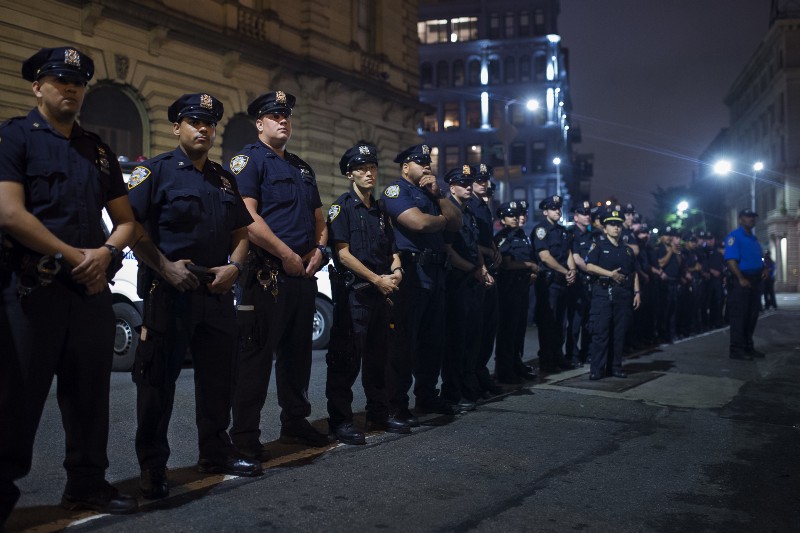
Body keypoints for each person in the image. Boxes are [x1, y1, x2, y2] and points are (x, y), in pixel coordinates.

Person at [0, 47, 138, 525]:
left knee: (89, 398)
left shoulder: (96, 150)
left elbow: (125, 221)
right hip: (31, 291)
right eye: (59, 80)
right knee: (14, 399)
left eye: (77, 82)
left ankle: (86, 486)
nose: (70, 88)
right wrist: (74, 254)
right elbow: (9, 212)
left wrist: (106, 254)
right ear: (37, 86)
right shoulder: (14, 137)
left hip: (90, 290)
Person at [127, 93, 262, 499]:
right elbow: (130, 225)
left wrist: (235, 267)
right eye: (194, 122)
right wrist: (164, 266)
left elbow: (242, 232)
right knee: (158, 384)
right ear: (177, 127)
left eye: (210, 123)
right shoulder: (155, 172)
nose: (203, 129)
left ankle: (215, 452)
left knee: (219, 381)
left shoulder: (224, 178)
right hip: (170, 290)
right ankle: (152, 467)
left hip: (217, 291)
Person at [229, 90, 330, 456]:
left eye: (286, 115)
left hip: (302, 275)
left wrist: (319, 250)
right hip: (266, 276)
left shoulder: (301, 167)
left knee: (298, 356)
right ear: (259, 123)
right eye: (274, 116)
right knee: (255, 360)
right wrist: (286, 254)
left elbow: (320, 219)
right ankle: (244, 437)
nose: (283, 120)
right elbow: (248, 219)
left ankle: (295, 422)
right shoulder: (248, 160)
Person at [325, 142, 410, 445]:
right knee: (346, 360)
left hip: (381, 294)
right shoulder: (342, 208)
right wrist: (377, 279)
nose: (368, 173)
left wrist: (397, 272)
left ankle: (379, 412)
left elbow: (394, 251)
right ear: (351, 174)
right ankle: (340, 421)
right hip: (356, 295)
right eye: (361, 168)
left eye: (372, 167)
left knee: (379, 358)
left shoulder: (381, 211)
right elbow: (343, 254)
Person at [382, 144, 462, 419]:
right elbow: (418, 223)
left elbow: (457, 221)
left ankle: (427, 396)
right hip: (413, 277)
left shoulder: (432, 194)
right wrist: (440, 219)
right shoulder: (396, 191)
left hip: (436, 277)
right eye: (419, 162)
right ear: (405, 167)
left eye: (428, 162)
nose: (427, 167)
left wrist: (438, 197)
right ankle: (397, 405)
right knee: (404, 344)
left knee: (432, 343)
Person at [441, 165, 492, 412]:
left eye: (470, 182)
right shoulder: (450, 212)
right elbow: (448, 250)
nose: (469, 186)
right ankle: (452, 392)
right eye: (464, 183)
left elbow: (474, 248)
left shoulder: (468, 212)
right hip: (456, 283)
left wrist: (482, 269)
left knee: (472, 337)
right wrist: (472, 269)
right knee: (456, 341)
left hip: (472, 281)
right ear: (452, 187)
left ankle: (467, 387)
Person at [585, 210, 641, 380]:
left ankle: (615, 367)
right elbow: (590, 266)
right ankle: (597, 369)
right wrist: (610, 274)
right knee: (601, 333)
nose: (616, 228)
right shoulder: (598, 245)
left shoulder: (627, 250)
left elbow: (633, 273)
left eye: (618, 224)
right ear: (605, 228)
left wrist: (637, 292)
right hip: (603, 293)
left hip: (623, 294)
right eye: (612, 224)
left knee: (619, 334)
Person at [468, 164, 504, 397]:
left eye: (485, 179)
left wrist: (493, 248)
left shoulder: (483, 206)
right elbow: (469, 240)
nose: (483, 183)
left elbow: (485, 236)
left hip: (487, 267)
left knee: (488, 327)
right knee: (474, 330)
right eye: (478, 180)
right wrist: (488, 252)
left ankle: (480, 373)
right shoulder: (469, 206)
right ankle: (472, 377)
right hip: (474, 271)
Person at [494, 202, 539, 384]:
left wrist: (532, 271)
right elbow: (506, 264)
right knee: (508, 329)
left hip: (522, 287)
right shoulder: (503, 238)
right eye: (511, 215)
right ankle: (504, 369)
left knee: (519, 328)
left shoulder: (522, 236)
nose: (515, 218)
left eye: (517, 215)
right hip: (508, 289)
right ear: (503, 219)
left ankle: (516, 363)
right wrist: (529, 266)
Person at [531, 195, 576, 373]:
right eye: (553, 208)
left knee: (561, 323)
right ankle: (546, 359)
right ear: (545, 211)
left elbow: (568, 253)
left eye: (558, 208)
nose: (557, 211)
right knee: (548, 322)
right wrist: (566, 271)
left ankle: (558, 356)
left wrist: (572, 271)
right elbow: (545, 257)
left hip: (563, 282)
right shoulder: (541, 230)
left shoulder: (563, 231)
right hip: (549, 283)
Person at [724, 209, 767, 360]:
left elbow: (759, 257)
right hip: (741, 280)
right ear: (741, 219)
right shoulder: (734, 237)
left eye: (753, 217)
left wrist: (764, 268)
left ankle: (748, 346)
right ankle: (736, 349)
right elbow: (731, 260)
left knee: (752, 315)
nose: (751, 220)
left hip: (755, 280)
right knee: (739, 316)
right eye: (748, 217)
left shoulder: (753, 239)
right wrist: (741, 278)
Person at [567, 201, 595, 366]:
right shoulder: (572, 234)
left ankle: (586, 353)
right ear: (576, 217)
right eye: (584, 214)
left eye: (588, 213)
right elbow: (576, 259)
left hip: (590, 284)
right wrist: (594, 271)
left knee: (588, 322)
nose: (587, 216)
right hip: (579, 284)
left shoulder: (591, 235)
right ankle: (572, 355)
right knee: (575, 323)